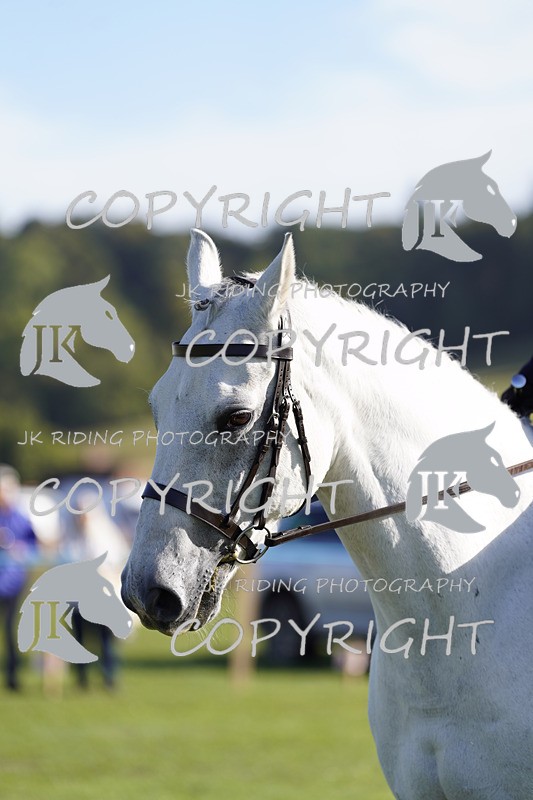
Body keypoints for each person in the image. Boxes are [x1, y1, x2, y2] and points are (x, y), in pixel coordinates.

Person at [0, 465, 38, 690]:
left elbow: (33, 548)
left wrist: (18, 549)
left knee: (10, 629)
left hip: (13, 582)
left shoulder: (21, 518)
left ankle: (13, 676)